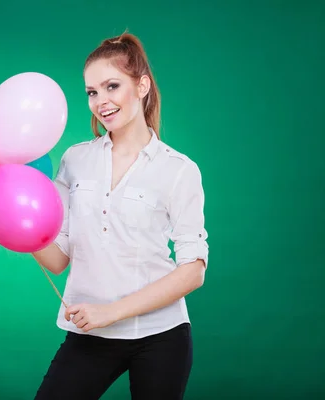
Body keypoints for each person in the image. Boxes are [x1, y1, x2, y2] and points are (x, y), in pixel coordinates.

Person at [31, 30, 209, 400]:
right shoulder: (75, 160)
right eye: (92, 92)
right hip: (91, 336)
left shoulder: (179, 169)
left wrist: (111, 312)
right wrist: (18, 228)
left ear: (142, 85)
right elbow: (59, 258)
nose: (101, 101)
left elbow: (193, 269)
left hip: (162, 335)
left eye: (112, 86)